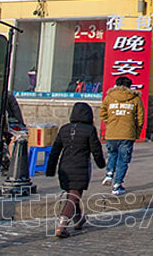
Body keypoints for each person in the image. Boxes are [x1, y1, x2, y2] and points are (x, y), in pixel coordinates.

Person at [44, 102, 105, 238]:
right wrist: (101, 164)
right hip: (80, 166)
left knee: (72, 193)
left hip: (64, 165)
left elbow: (55, 151)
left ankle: (78, 220)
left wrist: (50, 169)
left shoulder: (64, 129)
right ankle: (62, 225)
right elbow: (96, 149)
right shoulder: (89, 130)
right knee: (73, 195)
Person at [100, 75, 143, 195]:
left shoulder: (109, 97)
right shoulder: (135, 98)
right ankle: (117, 185)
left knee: (112, 154)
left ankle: (109, 174)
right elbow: (140, 118)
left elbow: (102, 113)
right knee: (123, 160)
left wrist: (110, 122)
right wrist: (136, 132)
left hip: (111, 133)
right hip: (127, 133)